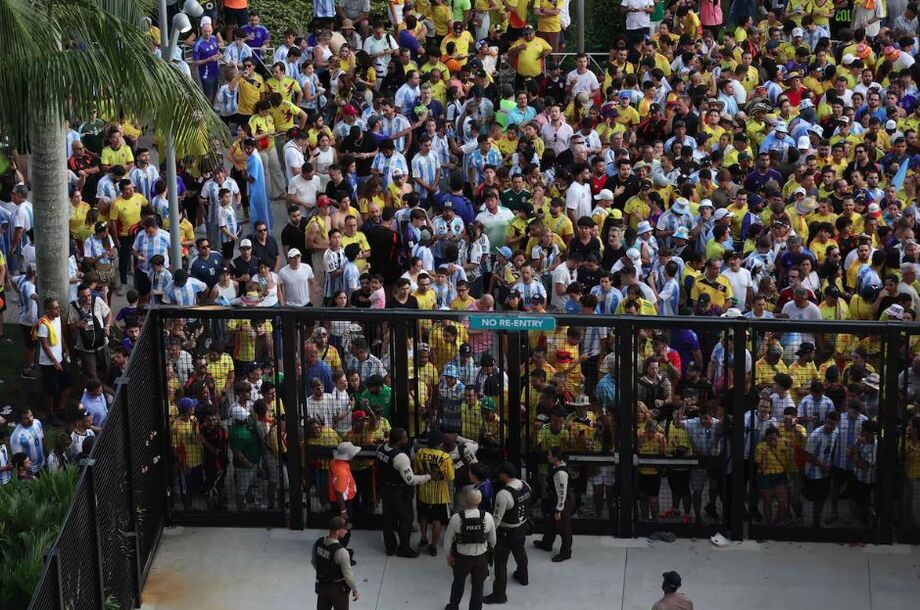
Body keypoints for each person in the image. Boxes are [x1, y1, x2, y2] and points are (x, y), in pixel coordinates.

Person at [374, 427, 433, 557]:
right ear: (400, 440)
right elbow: (410, 480)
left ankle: (390, 547)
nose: (408, 439)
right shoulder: (401, 457)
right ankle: (403, 548)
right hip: (398, 492)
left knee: (388, 519)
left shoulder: (381, 448)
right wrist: (428, 477)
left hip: (385, 488)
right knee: (406, 518)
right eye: (406, 437)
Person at [485, 461, 531, 604]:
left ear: (505, 475)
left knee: (500, 562)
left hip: (506, 531)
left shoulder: (503, 494)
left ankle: (499, 594)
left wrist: (488, 534)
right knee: (520, 551)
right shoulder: (525, 485)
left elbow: (497, 519)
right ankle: (523, 576)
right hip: (522, 527)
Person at [444, 488, 497, 610]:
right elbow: (493, 540)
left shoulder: (456, 518)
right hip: (480, 558)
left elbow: (447, 541)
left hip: (462, 559)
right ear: (479, 501)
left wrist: (449, 556)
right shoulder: (488, 517)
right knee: (478, 588)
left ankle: (453, 606)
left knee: (458, 584)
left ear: (466, 500)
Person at [533, 446, 572, 562]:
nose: (548, 456)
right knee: (551, 524)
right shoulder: (557, 467)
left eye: (549, 455)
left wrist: (559, 509)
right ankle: (547, 543)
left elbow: (562, 493)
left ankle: (566, 552)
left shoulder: (560, 474)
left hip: (562, 502)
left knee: (564, 528)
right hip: (555, 500)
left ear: (555, 457)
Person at [312, 516, 360, 610]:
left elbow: (314, 563)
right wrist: (355, 589)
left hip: (322, 586)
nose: (346, 532)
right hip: (337, 590)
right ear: (338, 532)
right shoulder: (341, 552)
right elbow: (348, 575)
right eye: (345, 529)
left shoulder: (318, 543)